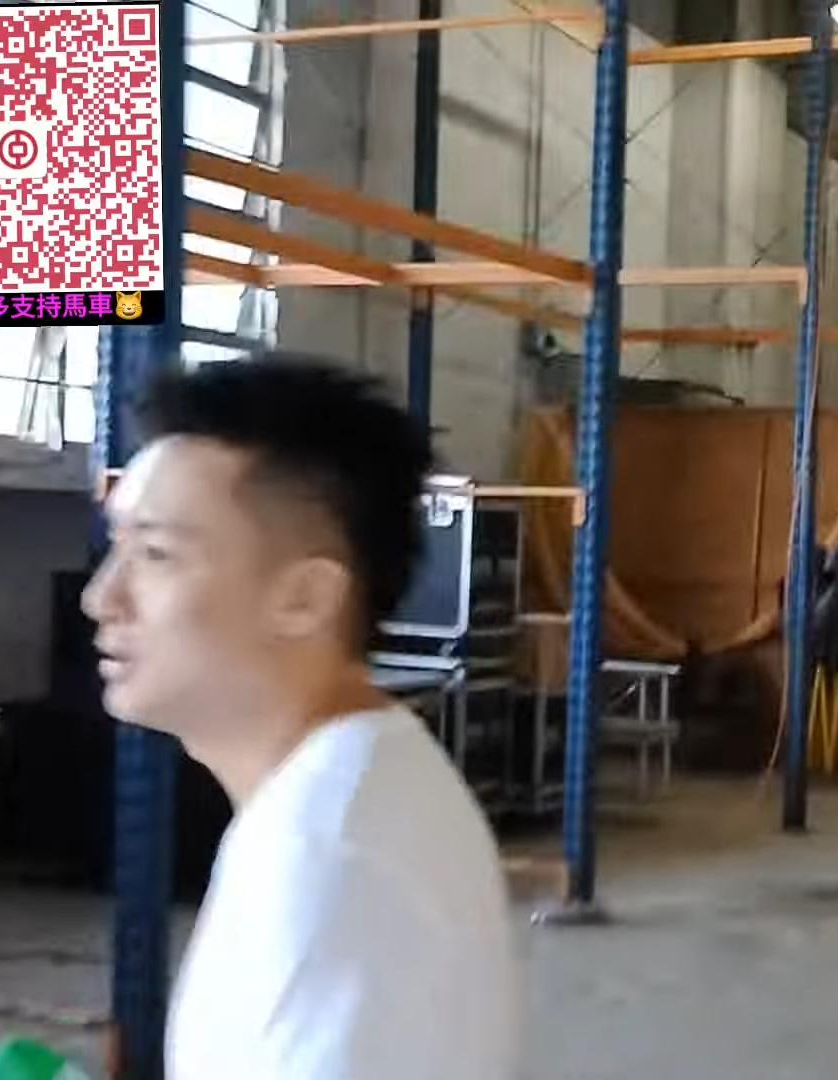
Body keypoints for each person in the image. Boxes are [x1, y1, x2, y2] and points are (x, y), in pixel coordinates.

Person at [82, 357, 516, 1079]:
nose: (103, 597)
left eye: (156, 554)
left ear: (305, 598)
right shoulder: (355, 781)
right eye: (117, 545)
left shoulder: (325, 869)